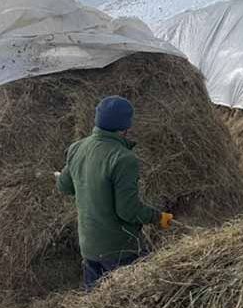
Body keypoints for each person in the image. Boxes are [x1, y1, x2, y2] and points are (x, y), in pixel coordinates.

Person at [57, 96, 174, 290]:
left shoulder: (78, 148)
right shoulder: (123, 159)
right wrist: (158, 217)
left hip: (89, 247)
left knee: (95, 307)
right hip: (120, 250)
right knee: (135, 302)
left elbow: (64, 186)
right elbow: (127, 210)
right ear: (125, 125)